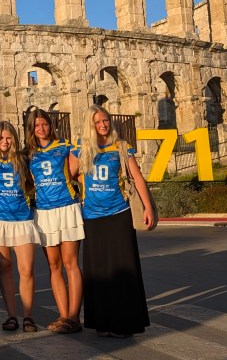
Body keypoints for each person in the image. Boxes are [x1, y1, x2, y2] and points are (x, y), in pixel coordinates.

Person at [77, 105, 153, 337]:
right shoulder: (82, 148)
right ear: (90, 125)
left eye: (106, 120)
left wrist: (148, 207)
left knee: (123, 268)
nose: (103, 125)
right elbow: (67, 173)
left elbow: (136, 177)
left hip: (119, 213)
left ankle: (124, 323)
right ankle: (102, 322)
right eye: (98, 122)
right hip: (92, 216)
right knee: (98, 271)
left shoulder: (121, 146)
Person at [25, 108, 84, 334]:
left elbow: (77, 172)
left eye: (45, 124)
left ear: (51, 125)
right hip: (44, 212)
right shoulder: (28, 154)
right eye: (36, 126)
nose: (41, 129)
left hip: (67, 207)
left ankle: (74, 317)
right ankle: (63, 315)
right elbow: (28, 182)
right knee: (54, 265)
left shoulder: (65, 146)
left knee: (71, 263)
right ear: (31, 129)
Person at [0, 121, 40, 332]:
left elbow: (34, 183)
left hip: (22, 219)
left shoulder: (24, 159)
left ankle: (28, 316)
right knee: (5, 268)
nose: (5, 141)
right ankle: (11, 316)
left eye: (9, 138)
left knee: (26, 269)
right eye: (1, 138)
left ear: (15, 139)